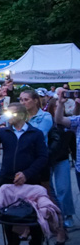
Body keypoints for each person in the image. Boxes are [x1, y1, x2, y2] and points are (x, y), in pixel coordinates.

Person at [0, 103, 50, 245]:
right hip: (7, 178)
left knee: (33, 212)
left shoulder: (35, 133)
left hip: (30, 179)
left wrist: (27, 173)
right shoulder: (4, 132)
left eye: (11, 114)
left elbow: (42, 157)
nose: (8, 116)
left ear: (21, 115)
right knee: (7, 212)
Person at [52, 88, 77, 229]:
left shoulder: (69, 121)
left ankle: (67, 215)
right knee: (48, 190)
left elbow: (72, 143)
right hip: (46, 159)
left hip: (62, 158)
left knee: (64, 189)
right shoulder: (46, 119)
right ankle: (54, 216)